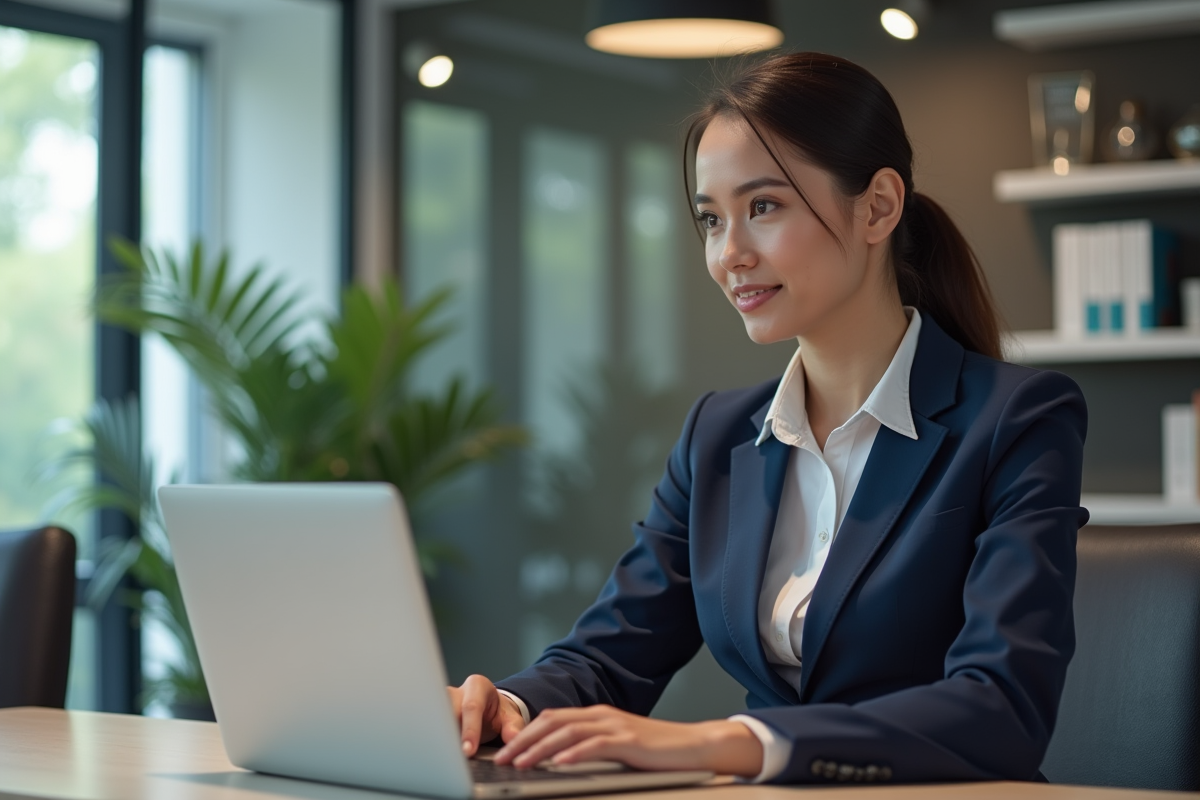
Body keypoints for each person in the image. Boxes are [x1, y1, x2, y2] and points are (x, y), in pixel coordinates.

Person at [448, 52, 1088, 785]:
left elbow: (1002, 708)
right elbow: (609, 654)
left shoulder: (1018, 419)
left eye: (763, 208)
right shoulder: (718, 435)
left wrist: (731, 743)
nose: (730, 255)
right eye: (711, 220)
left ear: (878, 207)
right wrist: (504, 706)